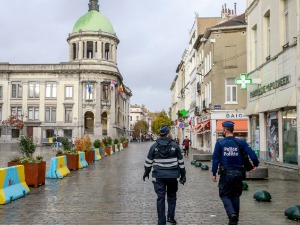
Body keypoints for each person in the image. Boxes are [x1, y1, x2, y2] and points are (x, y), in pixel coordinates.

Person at [211, 121, 259, 225]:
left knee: (224, 194)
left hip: (226, 174)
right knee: (236, 196)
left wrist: (214, 173)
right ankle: (234, 220)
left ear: (225, 130)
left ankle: (232, 214)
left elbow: (215, 160)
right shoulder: (241, 142)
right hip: (239, 173)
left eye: (223, 129)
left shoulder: (220, 143)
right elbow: (253, 155)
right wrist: (255, 164)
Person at [143, 125, 186, 225]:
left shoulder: (154, 146)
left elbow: (148, 162)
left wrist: (146, 172)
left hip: (159, 176)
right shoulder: (175, 146)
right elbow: (181, 162)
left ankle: (161, 221)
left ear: (160, 134)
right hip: (172, 176)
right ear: (168, 134)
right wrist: (183, 175)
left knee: (160, 198)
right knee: (171, 197)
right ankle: (170, 217)